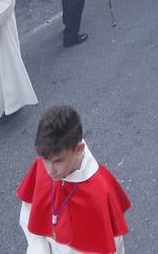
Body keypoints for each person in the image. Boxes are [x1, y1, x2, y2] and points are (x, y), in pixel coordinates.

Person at [16, 104, 132, 254]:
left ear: (79, 149)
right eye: (45, 158)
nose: (50, 170)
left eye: (58, 161)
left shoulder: (101, 190)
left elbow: (112, 245)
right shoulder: (43, 165)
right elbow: (28, 217)